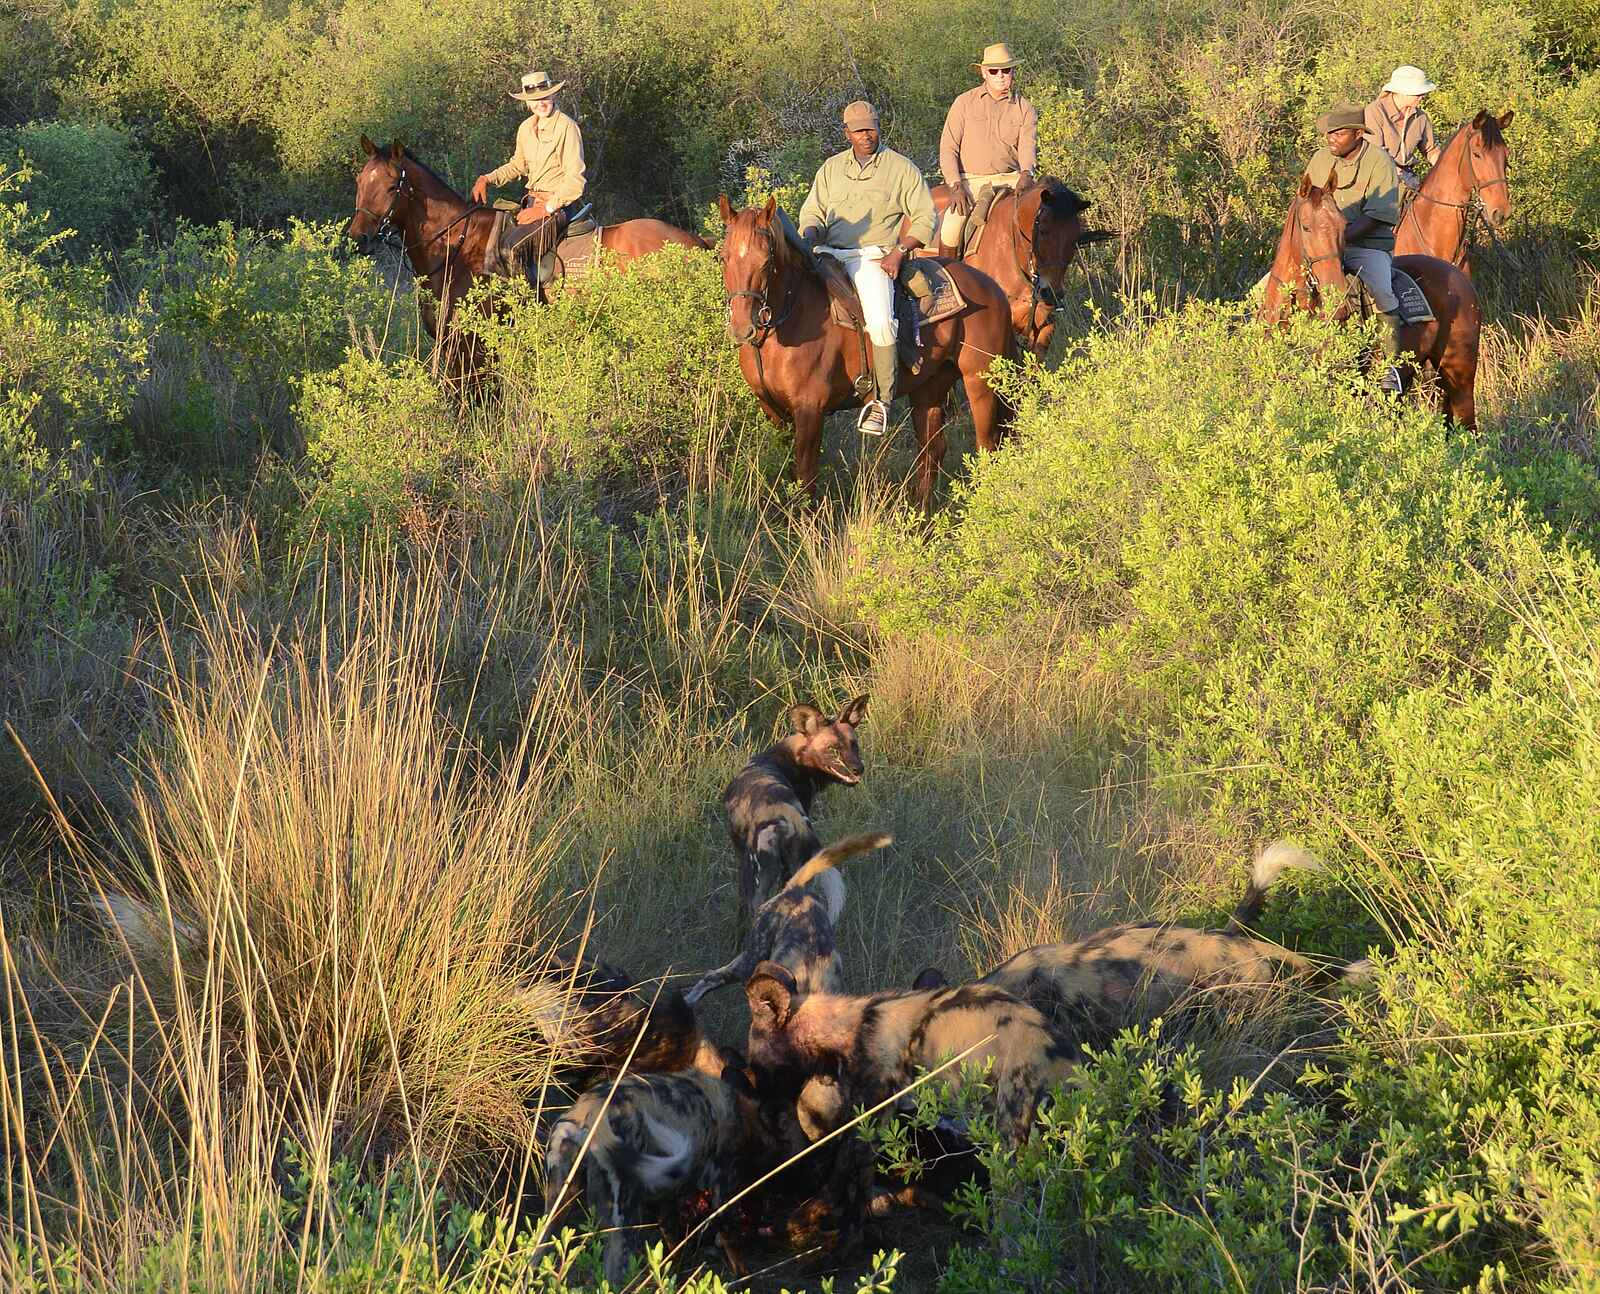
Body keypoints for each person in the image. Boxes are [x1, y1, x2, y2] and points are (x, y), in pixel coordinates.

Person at [797, 100, 936, 436]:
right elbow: (811, 212)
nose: (866, 135)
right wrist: (813, 236)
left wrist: (900, 251)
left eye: (870, 128)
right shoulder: (831, 168)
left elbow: (925, 216)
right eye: (858, 130)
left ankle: (882, 402)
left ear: (878, 127)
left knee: (880, 320)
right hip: (828, 252)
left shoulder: (900, 168)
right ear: (847, 133)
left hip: (873, 256)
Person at [1306, 102, 1406, 394]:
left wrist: (1339, 240)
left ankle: (1388, 369)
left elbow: (1378, 215)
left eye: (1339, 133)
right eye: (1329, 133)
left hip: (1366, 246)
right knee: (1266, 289)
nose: (1331, 138)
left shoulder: (1379, 162)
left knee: (1382, 291)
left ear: (1358, 134)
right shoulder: (1320, 160)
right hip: (1321, 248)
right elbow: (1307, 205)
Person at [937, 42, 1038, 258]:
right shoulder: (964, 103)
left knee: (1042, 221)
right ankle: (946, 278)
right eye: (994, 70)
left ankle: (1042, 283)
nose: (1000, 75)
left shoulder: (1025, 108)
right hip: (970, 181)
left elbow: (1027, 148)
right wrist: (955, 185)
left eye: (1006, 70)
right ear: (984, 73)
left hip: (1010, 180)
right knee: (950, 230)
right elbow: (948, 148)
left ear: (1013, 72)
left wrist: (1027, 174)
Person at [471, 71, 587, 235]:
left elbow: (575, 180)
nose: (540, 103)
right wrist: (486, 179)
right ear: (527, 102)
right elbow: (517, 166)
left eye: (544, 97)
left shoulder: (567, 127)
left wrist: (546, 209)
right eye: (534, 99)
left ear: (553, 95)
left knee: (520, 248)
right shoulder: (525, 128)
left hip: (557, 206)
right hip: (532, 202)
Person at [1364, 65, 1441, 190]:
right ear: (1402, 92)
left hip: (1408, 177)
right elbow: (1374, 152)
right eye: (1418, 93)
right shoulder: (1375, 112)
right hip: (1377, 177)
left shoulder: (1420, 118)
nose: (1422, 97)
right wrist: (1397, 173)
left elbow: (1430, 150)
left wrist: (1445, 166)